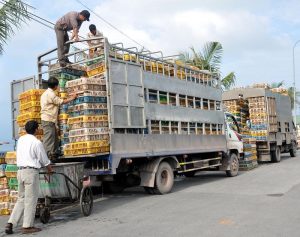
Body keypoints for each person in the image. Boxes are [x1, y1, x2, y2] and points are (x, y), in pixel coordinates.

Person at [5, 120, 52, 235]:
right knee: (31, 199)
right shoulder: (37, 142)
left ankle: (11, 222)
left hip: (20, 172)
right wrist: (49, 169)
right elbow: (44, 159)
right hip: (31, 172)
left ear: (26, 129)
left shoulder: (21, 140)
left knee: (21, 198)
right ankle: (27, 226)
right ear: (36, 129)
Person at [41, 77, 77, 161]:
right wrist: (72, 98)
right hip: (48, 119)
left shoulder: (46, 93)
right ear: (55, 86)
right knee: (49, 139)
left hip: (50, 119)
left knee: (54, 139)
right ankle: (47, 158)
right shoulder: (51, 94)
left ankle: (53, 155)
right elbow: (61, 102)